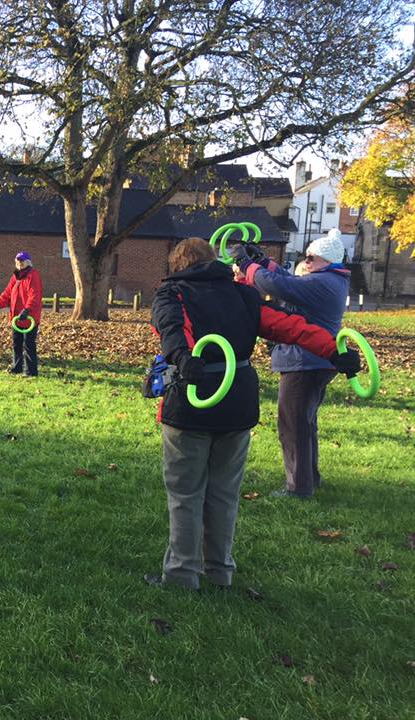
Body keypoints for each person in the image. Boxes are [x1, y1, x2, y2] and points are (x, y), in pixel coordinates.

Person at [147, 238, 359, 590]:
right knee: (224, 493)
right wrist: (333, 351)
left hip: (192, 402)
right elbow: (289, 326)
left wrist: (183, 359)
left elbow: (172, 328)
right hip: (237, 403)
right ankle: (219, 572)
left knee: (186, 493)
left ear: (177, 265)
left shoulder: (173, 293)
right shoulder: (243, 295)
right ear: (213, 260)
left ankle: (183, 575)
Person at [230, 229, 351, 498]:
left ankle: (298, 488)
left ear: (327, 261)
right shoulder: (329, 278)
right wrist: (262, 261)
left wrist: (247, 265)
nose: (305, 261)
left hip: (305, 360)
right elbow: (286, 278)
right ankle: (310, 478)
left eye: (311, 258)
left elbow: (278, 286)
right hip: (316, 360)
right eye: (305, 257)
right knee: (305, 423)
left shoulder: (322, 283)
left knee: (293, 426)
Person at [0, 251, 42, 376]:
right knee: (16, 343)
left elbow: (34, 295)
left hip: (29, 317)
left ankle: (30, 371)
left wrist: (27, 309)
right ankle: (17, 367)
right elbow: (7, 293)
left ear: (28, 262)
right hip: (16, 316)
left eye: (22, 261)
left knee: (28, 344)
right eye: (18, 261)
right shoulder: (16, 276)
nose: (19, 263)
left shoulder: (32, 275)